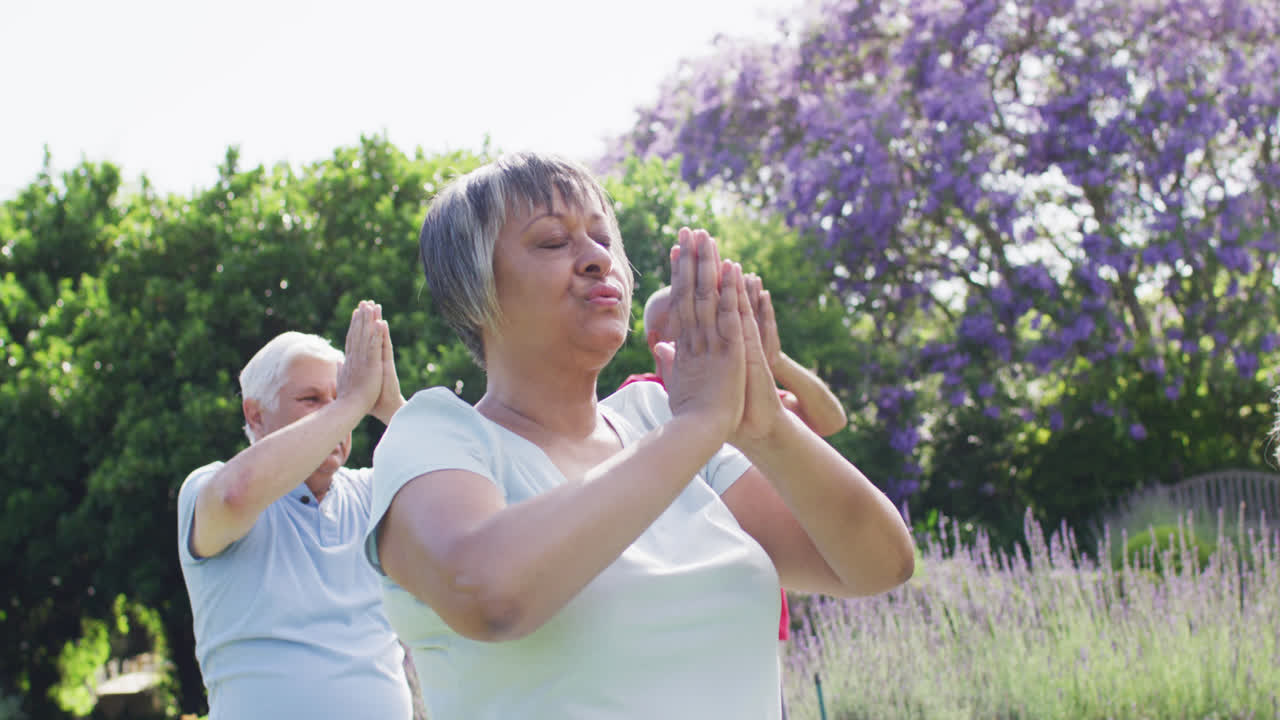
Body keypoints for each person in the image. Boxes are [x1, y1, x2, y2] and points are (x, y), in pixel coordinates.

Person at [366, 153, 914, 719]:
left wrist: (766, 426)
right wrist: (698, 425)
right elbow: (488, 596)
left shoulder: (657, 417)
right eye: (553, 241)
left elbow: (878, 565)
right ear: (474, 288)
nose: (597, 259)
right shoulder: (435, 436)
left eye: (603, 238)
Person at [177, 301, 414, 720]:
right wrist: (350, 402)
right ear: (256, 413)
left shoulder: (370, 491)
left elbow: (480, 492)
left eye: (339, 398)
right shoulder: (209, 486)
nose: (339, 417)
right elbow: (237, 494)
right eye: (312, 399)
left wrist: (390, 403)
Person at [624, 279, 849, 717]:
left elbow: (830, 418)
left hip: (757, 606)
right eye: (691, 319)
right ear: (656, 340)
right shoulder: (641, 400)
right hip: (685, 616)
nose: (710, 327)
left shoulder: (748, 403)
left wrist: (775, 360)